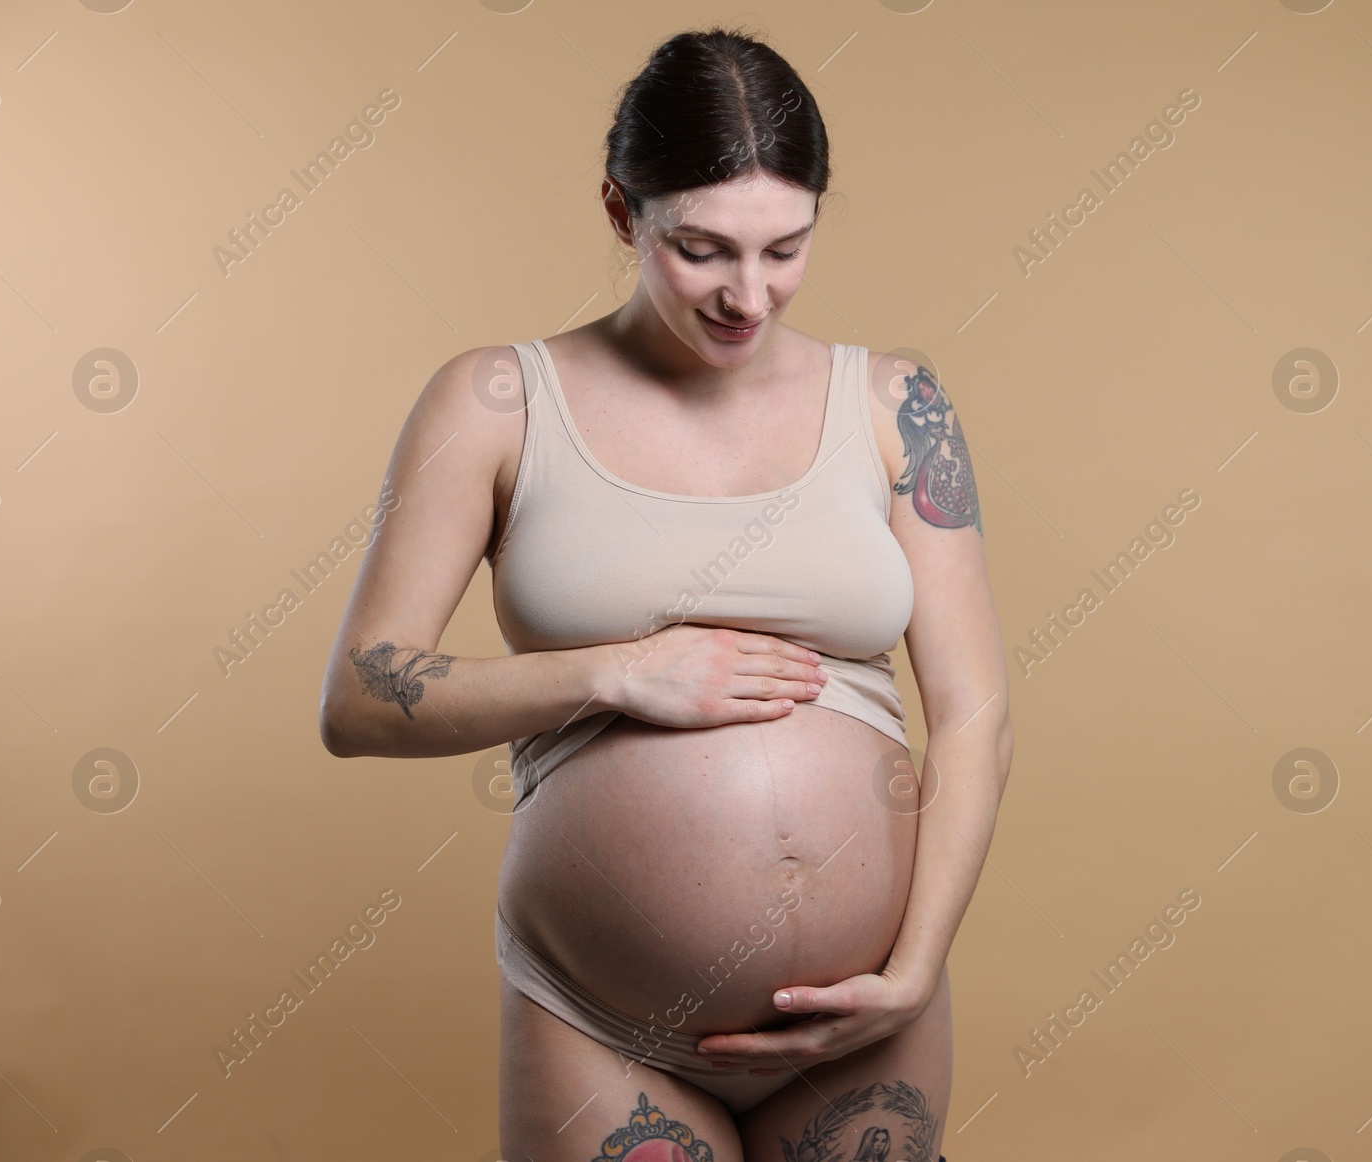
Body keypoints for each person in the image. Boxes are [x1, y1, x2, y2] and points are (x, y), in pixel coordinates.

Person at [318, 24, 1012, 1162]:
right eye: (703, 250)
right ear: (618, 211)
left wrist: (916, 963)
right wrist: (616, 672)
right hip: (603, 1023)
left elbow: (975, 713)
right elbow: (357, 698)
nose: (749, 295)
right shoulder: (496, 401)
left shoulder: (897, 402)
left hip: (864, 1017)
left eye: (785, 249)